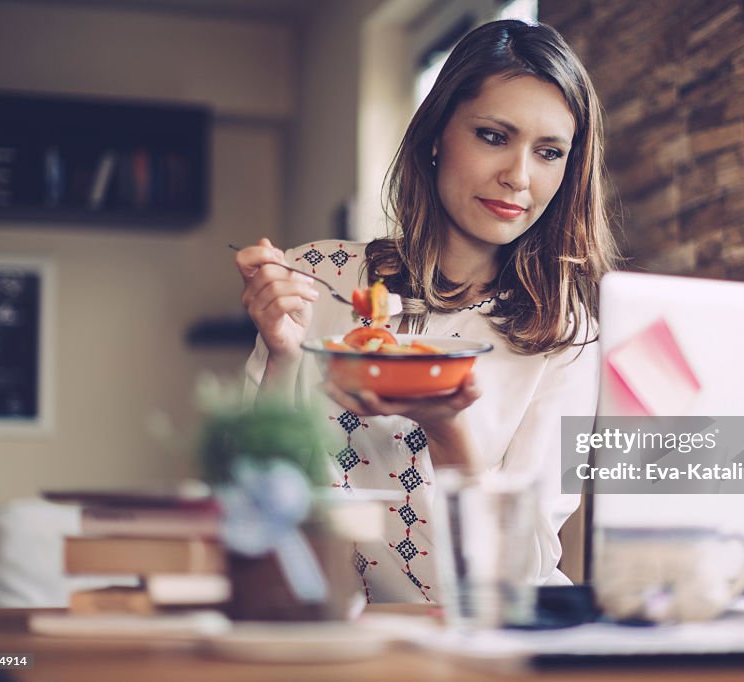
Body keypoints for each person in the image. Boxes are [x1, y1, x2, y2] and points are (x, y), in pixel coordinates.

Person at [234, 19, 618, 603]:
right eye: (494, 135)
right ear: (437, 134)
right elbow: (246, 507)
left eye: (548, 152)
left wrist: (449, 434)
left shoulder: (565, 336)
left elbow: (521, 573)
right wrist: (284, 359)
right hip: (325, 636)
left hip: (481, 642)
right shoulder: (318, 278)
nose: (518, 176)